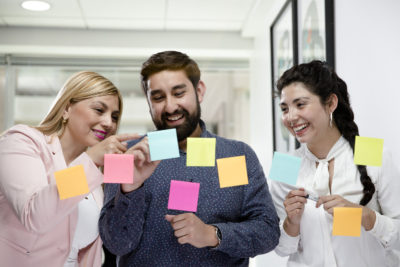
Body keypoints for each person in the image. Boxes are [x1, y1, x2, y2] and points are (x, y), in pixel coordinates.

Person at [99, 50, 280, 266]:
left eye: (178, 93)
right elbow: (115, 245)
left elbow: (268, 232)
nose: (170, 106)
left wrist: (213, 234)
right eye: (158, 97)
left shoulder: (235, 155)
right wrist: (131, 189)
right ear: (148, 102)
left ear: (199, 91)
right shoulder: (125, 155)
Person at [0, 71, 152, 267]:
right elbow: (35, 216)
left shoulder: (97, 176)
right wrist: (91, 159)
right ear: (66, 108)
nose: (109, 123)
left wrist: (131, 186)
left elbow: (113, 243)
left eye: (114, 117)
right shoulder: (22, 141)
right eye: (99, 110)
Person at [269, 60, 400, 266]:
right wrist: (290, 223)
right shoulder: (284, 164)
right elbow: (282, 248)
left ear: (330, 103)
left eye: (300, 104)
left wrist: (367, 217)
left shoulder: (373, 152)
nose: (291, 117)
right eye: (285, 108)